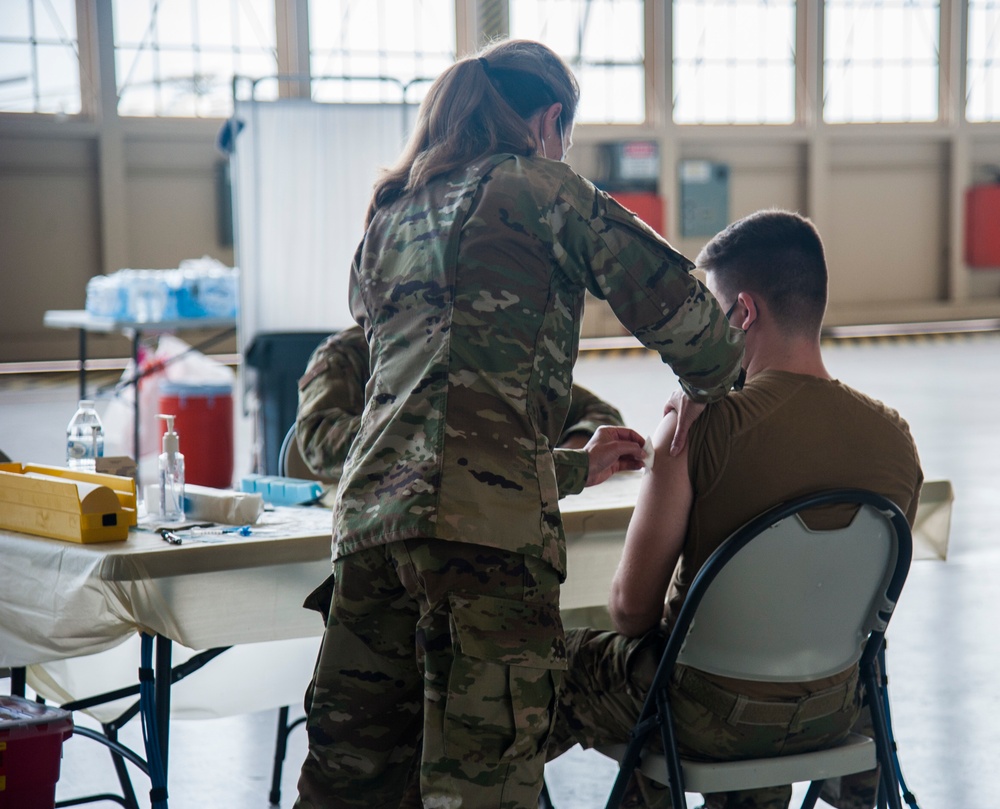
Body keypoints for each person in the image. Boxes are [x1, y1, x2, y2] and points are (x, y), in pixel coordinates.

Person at [294, 38, 744, 809]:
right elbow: (691, 321)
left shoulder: (391, 215)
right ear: (548, 120)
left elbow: (414, 412)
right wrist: (719, 383)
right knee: (482, 789)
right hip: (486, 553)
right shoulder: (543, 187)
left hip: (367, 535)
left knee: (352, 785)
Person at [547, 209, 924, 809]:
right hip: (833, 711)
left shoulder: (699, 428)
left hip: (702, 715)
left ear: (742, 313)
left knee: (547, 666)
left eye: (709, 317)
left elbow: (630, 611)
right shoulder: (896, 441)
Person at [295, 324, 627, 479]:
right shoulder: (347, 355)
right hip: (371, 522)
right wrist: (426, 427)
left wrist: (574, 450)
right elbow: (316, 436)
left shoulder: (473, 350)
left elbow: (596, 411)